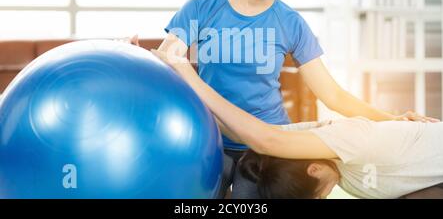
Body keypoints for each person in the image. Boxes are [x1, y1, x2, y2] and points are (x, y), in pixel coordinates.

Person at [135, 0, 436, 198]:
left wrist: (392, 118)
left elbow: (332, 95)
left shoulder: (291, 23)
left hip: (270, 145)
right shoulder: (202, 7)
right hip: (210, 138)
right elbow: (171, 56)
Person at [151, 49, 443, 199]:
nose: (325, 196)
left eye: (318, 196)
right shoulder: (318, 145)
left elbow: (265, 140)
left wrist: (186, 73)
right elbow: (240, 129)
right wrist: (169, 84)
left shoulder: (351, 139)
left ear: (314, 169)